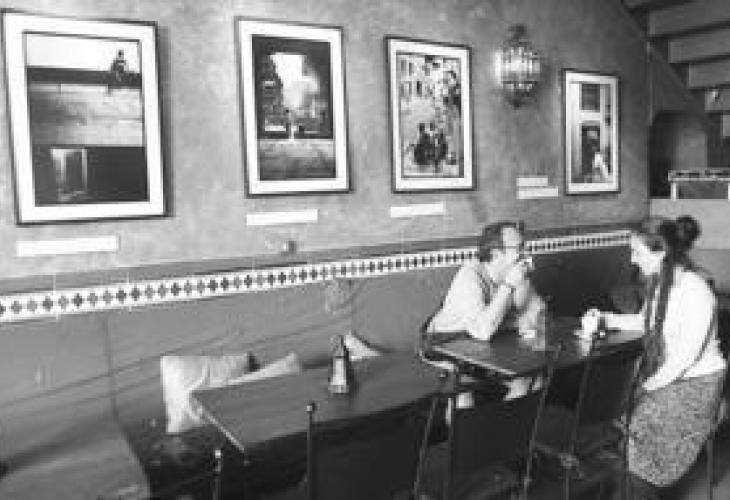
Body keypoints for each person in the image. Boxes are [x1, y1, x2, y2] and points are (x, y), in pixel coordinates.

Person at [582, 216, 727, 499]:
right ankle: (624, 485)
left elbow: (685, 358)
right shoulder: (663, 284)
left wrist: (648, 387)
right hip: (670, 378)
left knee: (638, 426)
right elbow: (646, 322)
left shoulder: (695, 291)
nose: (632, 260)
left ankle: (634, 487)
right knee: (618, 420)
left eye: (637, 252)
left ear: (660, 252)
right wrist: (606, 318)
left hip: (697, 385)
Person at [425, 221, 547, 400]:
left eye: (525, 247)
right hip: (444, 346)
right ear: (496, 254)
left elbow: (538, 310)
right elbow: (482, 331)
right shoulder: (469, 277)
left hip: (482, 347)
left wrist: (524, 287)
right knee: (463, 391)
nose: (525, 254)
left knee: (531, 381)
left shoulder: (512, 272)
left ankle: (509, 419)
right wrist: (509, 285)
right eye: (519, 248)